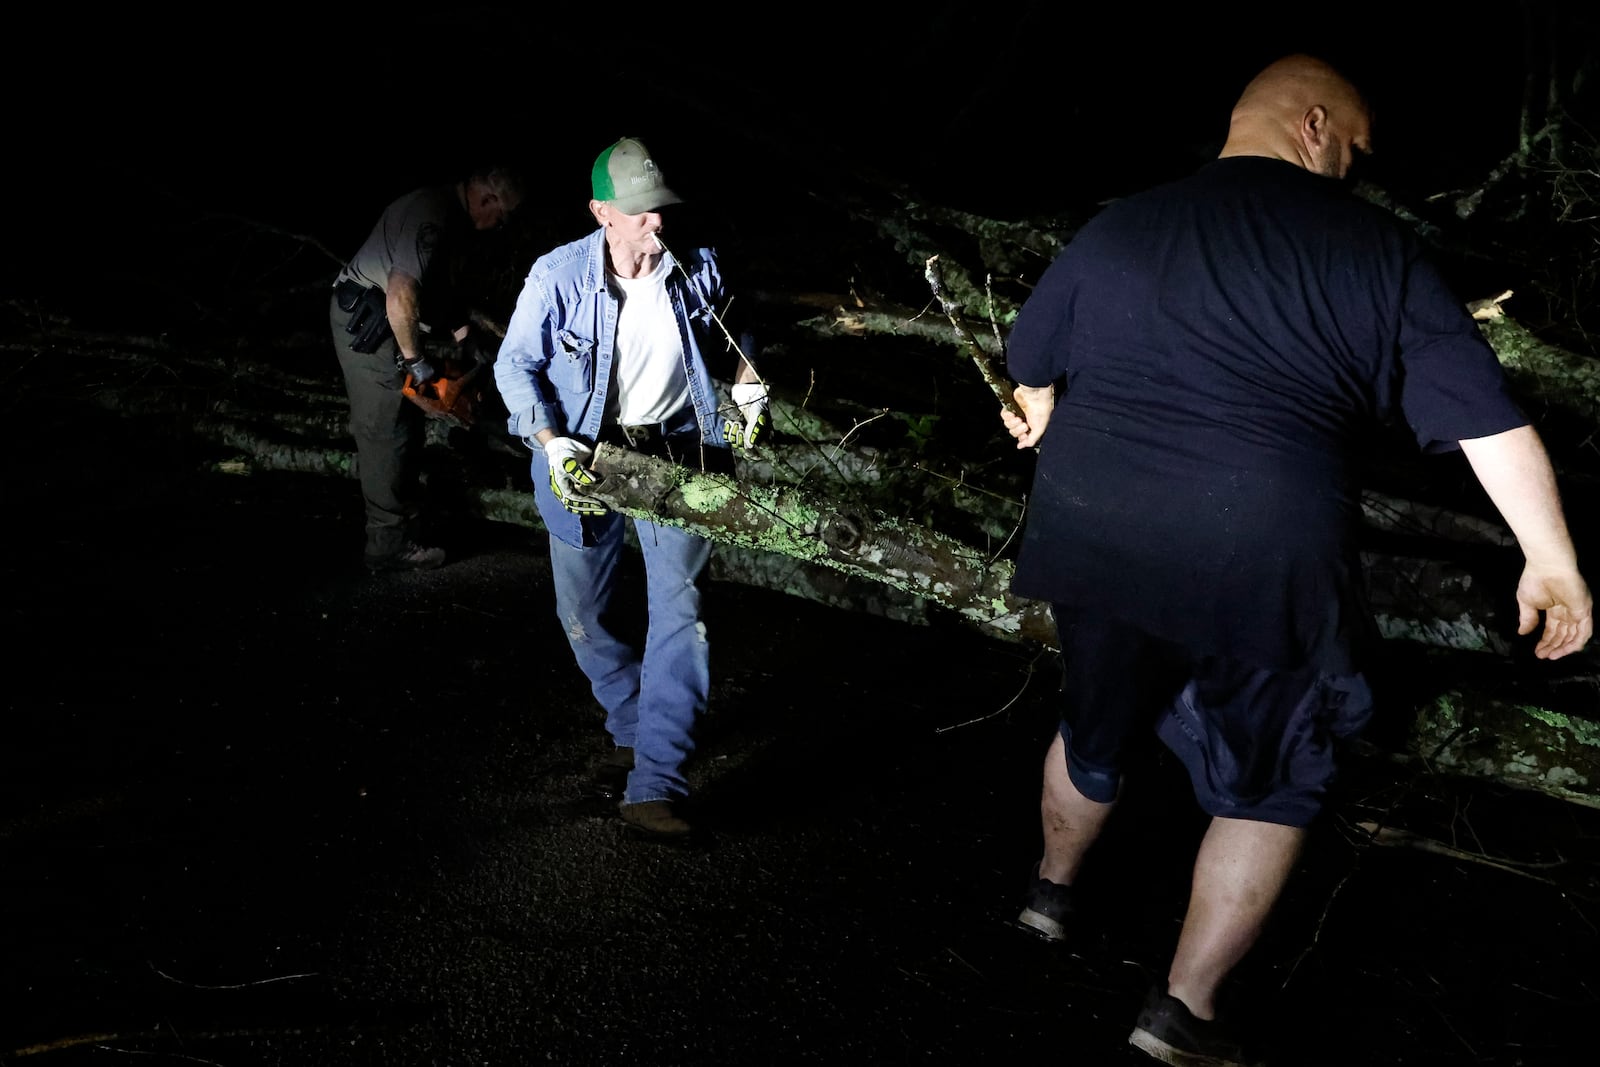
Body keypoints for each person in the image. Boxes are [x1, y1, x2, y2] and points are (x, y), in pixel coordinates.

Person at [997, 54, 1592, 1067]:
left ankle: (1049, 898)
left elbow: (1028, 367)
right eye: (1353, 147)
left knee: (1093, 723)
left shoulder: (1120, 224)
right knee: (1271, 785)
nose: (1357, 169)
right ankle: (1180, 1008)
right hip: (1258, 555)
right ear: (1311, 125)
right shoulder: (1375, 249)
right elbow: (1487, 425)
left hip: (1093, 531)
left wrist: (1045, 410)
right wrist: (1552, 562)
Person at [492, 136, 769, 842]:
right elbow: (514, 365)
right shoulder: (557, 276)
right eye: (640, 213)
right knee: (580, 611)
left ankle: (657, 778)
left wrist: (747, 388)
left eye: (661, 210)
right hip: (587, 457)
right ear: (602, 212)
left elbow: (739, 334)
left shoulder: (697, 267)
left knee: (681, 607)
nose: (657, 224)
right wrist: (551, 445)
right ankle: (630, 716)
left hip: (678, 453)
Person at [331, 164, 524, 572]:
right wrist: (417, 365)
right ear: (488, 200)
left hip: (385, 318)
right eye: (501, 217)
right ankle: (387, 545)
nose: (497, 226)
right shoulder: (431, 216)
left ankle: (405, 521)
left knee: (405, 427)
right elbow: (402, 294)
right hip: (367, 320)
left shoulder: (448, 216)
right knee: (387, 429)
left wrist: (462, 333)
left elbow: (435, 286)